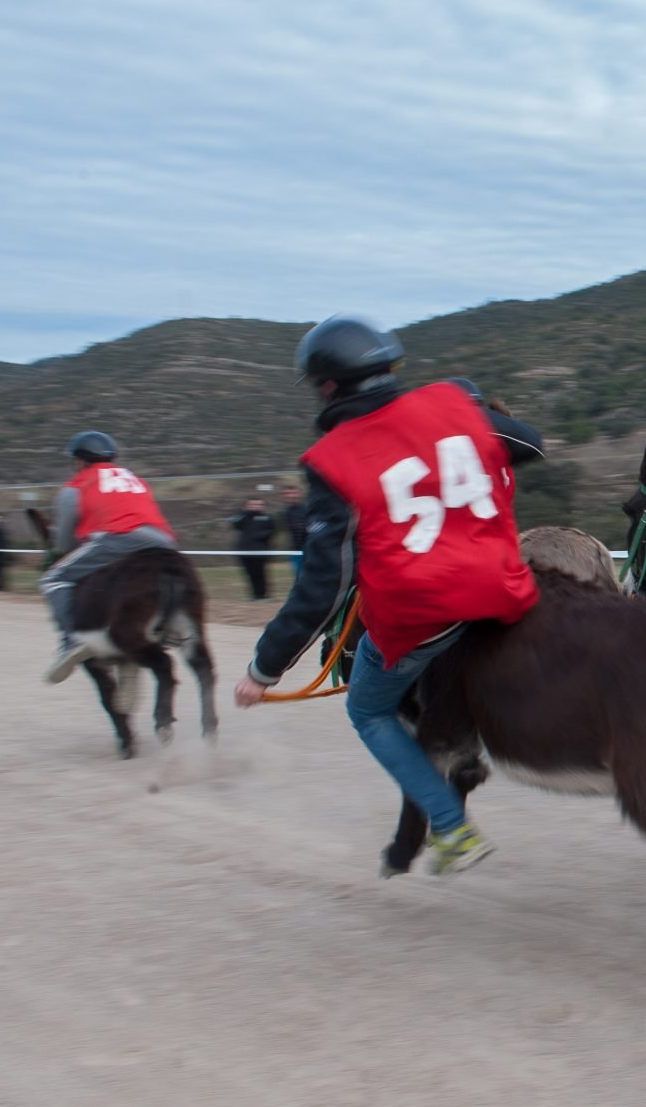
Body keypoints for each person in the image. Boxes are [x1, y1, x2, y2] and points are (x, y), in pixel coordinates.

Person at [232, 316, 544, 877]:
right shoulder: (450, 401)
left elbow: (323, 586)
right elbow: (531, 445)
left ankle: (451, 829)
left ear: (327, 386)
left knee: (368, 708)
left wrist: (263, 670)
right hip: (503, 584)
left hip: (423, 613)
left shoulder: (330, 460)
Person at [39, 432, 179, 682]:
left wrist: (64, 548)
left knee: (55, 579)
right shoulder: (135, 479)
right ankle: (168, 626)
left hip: (119, 538)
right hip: (165, 542)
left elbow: (64, 543)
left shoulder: (76, 486)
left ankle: (71, 641)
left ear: (80, 461)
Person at [229, 498, 278, 599]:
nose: (255, 506)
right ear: (247, 505)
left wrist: (258, 536)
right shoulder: (243, 517)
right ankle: (254, 594)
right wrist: (243, 512)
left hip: (260, 550)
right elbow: (234, 524)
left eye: (258, 504)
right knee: (250, 573)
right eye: (252, 504)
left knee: (260, 573)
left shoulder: (266, 517)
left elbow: (272, 530)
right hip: (244, 551)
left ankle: (263, 594)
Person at [279, 485, 310, 581]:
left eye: (293, 493)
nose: (291, 496)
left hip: (310, 549)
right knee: (299, 576)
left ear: (299, 494)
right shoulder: (284, 512)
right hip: (295, 550)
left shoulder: (307, 509)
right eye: (288, 494)